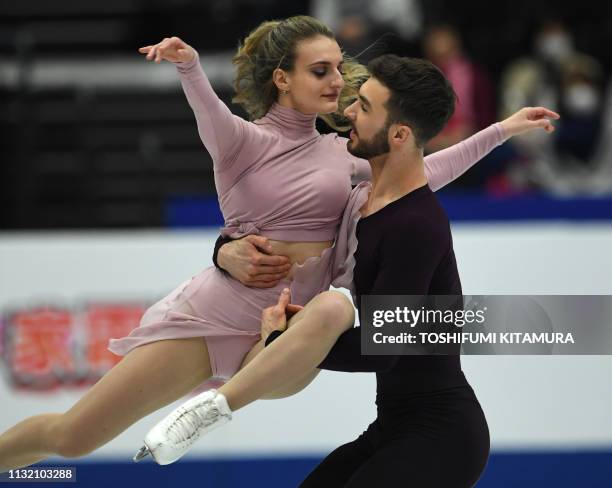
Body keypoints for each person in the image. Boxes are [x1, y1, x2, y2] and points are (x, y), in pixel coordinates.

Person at [0, 16, 547, 472]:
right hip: (220, 315)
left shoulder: (345, 152)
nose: (337, 81)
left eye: (338, 68)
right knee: (73, 438)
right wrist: (189, 66)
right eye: (320, 70)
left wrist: (500, 130)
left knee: (334, 307)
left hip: (287, 328)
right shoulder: (244, 140)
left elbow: (422, 169)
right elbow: (207, 113)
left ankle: (212, 409)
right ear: (282, 79)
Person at [137, 55, 558, 487]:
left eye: (366, 107)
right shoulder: (360, 200)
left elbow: (384, 349)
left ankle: (215, 408)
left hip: (441, 436)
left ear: (399, 134)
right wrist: (225, 249)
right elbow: (268, 221)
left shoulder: (415, 225)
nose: (349, 111)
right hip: (393, 427)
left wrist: (288, 340)